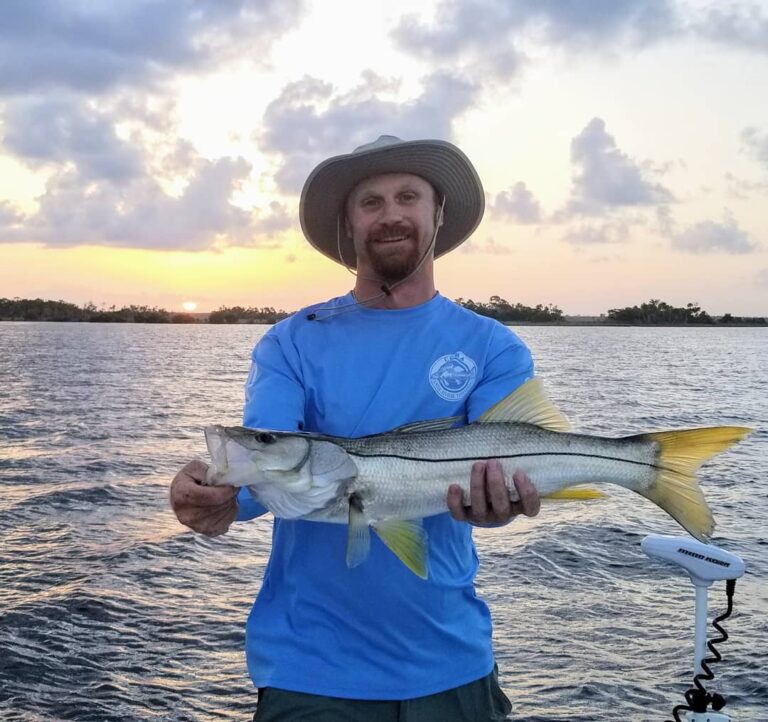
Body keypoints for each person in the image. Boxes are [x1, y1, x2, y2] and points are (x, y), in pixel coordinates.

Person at [170, 135, 541, 721]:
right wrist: (218, 496)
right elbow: (267, 456)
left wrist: (504, 503)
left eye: (407, 196)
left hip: (453, 662)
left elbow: (512, 461)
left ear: (437, 213)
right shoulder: (291, 341)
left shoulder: (492, 346)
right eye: (370, 201)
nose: (390, 213)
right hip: (309, 670)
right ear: (348, 224)